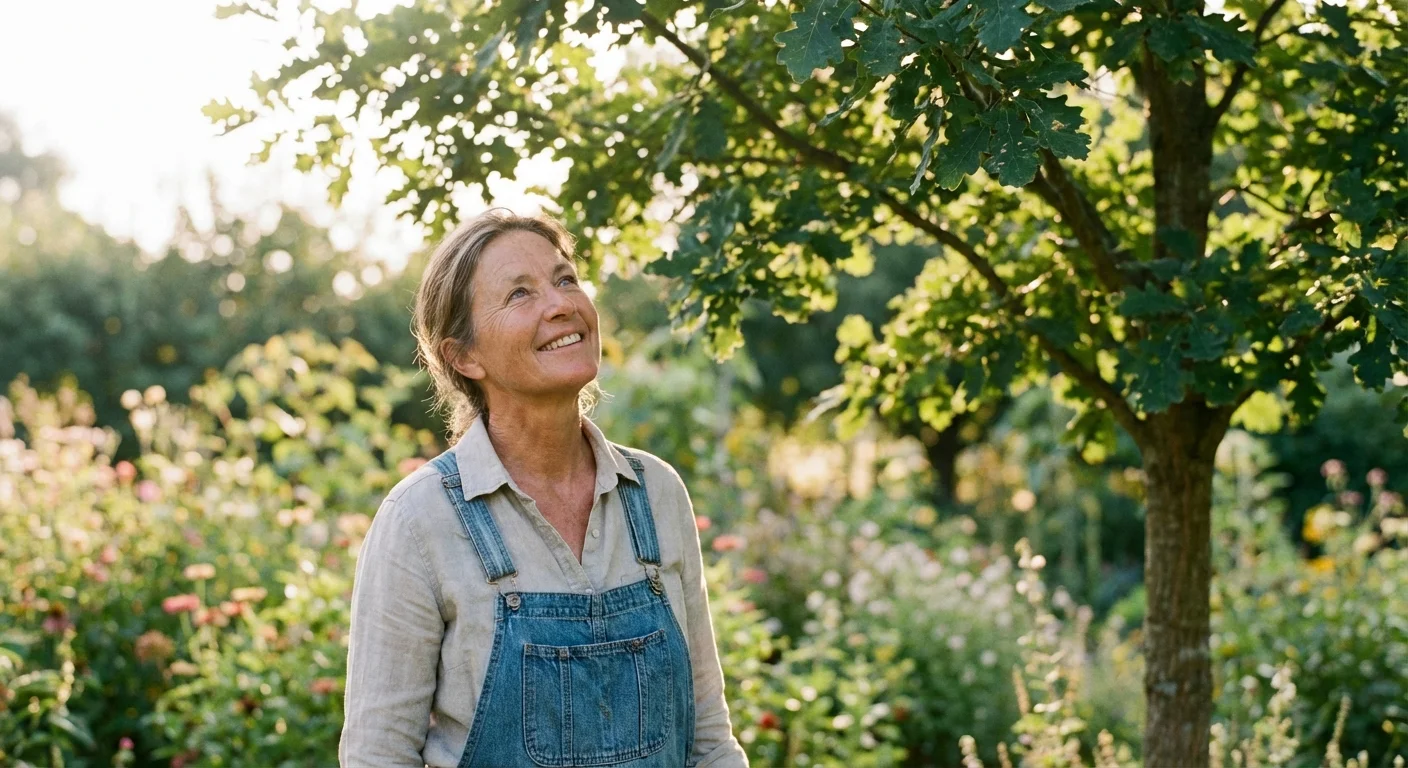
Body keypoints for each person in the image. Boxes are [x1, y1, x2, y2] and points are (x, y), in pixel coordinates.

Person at [338, 209, 748, 767]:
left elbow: (709, 741)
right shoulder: (420, 520)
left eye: (565, 279)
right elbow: (377, 755)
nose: (561, 304)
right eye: (519, 294)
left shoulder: (656, 494)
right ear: (465, 356)